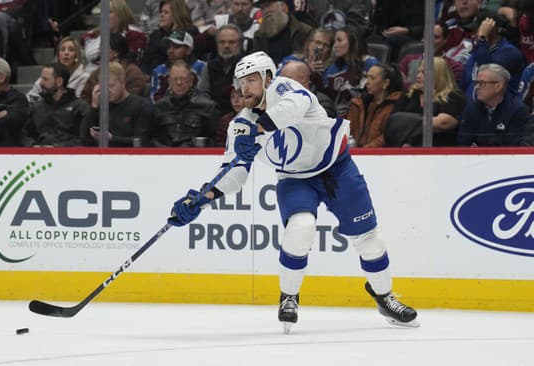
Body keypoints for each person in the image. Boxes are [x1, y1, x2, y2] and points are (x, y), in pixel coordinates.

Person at [167, 51, 419, 332]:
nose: (244, 88)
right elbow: (234, 173)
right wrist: (202, 199)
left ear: (268, 79)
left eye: (251, 80)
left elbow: (292, 109)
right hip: (295, 178)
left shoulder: (287, 89)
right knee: (301, 227)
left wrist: (259, 129)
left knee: (370, 238)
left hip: (337, 167)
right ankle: (289, 296)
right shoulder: (240, 125)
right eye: (241, 82)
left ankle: (384, 297)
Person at [386, 57, 467, 147]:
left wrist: (406, 123)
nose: (418, 76)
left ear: (437, 75)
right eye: (418, 72)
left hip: (440, 152)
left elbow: (443, 123)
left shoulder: (453, 96)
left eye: (423, 72)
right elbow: (394, 121)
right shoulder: (409, 94)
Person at [80, 62, 153, 147]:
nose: (107, 90)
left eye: (111, 86)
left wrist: (112, 139)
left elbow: (141, 142)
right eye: (103, 86)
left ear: (123, 83)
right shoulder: (101, 106)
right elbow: (84, 138)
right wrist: (94, 106)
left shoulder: (141, 106)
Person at [151, 60, 220, 146]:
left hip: (197, 155)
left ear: (191, 80)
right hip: (164, 155)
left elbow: (216, 140)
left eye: (183, 79)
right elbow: (152, 138)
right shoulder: (160, 107)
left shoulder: (208, 107)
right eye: (175, 79)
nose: (179, 83)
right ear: (169, 81)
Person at [458, 63, 529, 146]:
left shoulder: (517, 110)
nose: (476, 87)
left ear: (499, 86)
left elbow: (512, 146)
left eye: (481, 83)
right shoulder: (471, 108)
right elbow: (464, 143)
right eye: (476, 83)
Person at [460, 10, 525, 99]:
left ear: (492, 29)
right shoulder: (476, 51)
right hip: (471, 110)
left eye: (476, 30)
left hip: (498, 110)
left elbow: (487, 74)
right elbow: (463, 86)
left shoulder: (510, 53)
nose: (472, 35)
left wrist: (482, 37)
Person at [22, 62, 89, 147]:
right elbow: (24, 134)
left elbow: (83, 140)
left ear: (59, 81)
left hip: (68, 157)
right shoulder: (37, 107)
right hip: (39, 156)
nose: (41, 83)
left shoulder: (79, 107)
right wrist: (33, 145)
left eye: (45, 79)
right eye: (41, 79)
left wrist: (57, 147)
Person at [323, 25, 380, 118]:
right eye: (334, 41)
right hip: (337, 118)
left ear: (353, 42)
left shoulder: (372, 65)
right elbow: (326, 97)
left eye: (339, 40)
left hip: (366, 115)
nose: (335, 46)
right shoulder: (332, 69)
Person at [346, 63, 404, 147]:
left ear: (385, 83)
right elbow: (349, 131)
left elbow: (387, 137)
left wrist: (366, 150)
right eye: (367, 77)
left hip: (380, 156)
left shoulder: (396, 106)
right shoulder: (359, 104)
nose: (367, 82)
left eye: (372, 78)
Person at [81, 0, 147, 73]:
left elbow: (134, 63)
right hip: (88, 77)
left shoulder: (135, 35)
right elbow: (80, 61)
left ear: (121, 14)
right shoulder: (91, 35)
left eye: (109, 12)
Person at [197, 24, 244, 115]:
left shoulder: (247, 64)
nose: (226, 46)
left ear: (239, 44)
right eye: (222, 42)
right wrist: (213, 107)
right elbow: (202, 93)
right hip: (214, 114)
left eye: (231, 42)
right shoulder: (209, 66)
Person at [142, 0, 198, 74]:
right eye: (161, 12)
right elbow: (145, 60)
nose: (161, 15)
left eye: (166, 12)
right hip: (151, 76)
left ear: (177, 14)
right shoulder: (155, 35)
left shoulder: (188, 33)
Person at [27, 36, 89, 102]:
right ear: (58, 55)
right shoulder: (48, 74)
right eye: (62, 49)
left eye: (71, 50)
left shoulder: (84, 77)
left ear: (77, 56)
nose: (66, 53)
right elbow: (31, 96)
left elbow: (78, 101)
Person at [150, 30, 206, 103]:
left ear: (188, 50)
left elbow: (207, 96)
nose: (170, 51)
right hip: (168, 112)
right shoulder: (159, 71)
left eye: (176, 47)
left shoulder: (203, 67)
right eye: (169, 47)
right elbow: (155, 100)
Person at [252, 0, 313, 65]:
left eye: (268, 6)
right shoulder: (259, 36)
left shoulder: (303, 31)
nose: (266, 11)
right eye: (262, 8)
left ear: (283, 7)